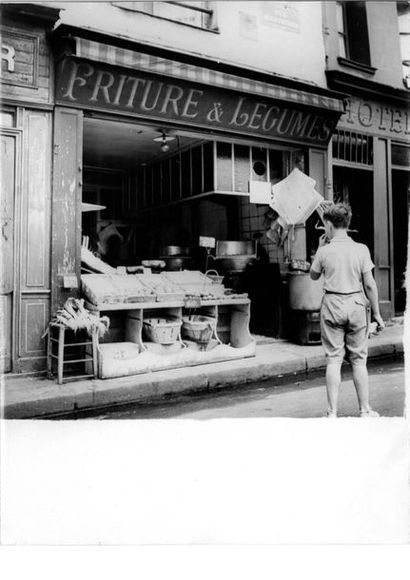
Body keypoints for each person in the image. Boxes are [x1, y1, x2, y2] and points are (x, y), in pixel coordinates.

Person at [309, 202, 385, 418]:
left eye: (325, 225)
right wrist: (377, 314)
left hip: (332, 304)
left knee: (333, 359)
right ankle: (364, 410)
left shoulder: (325, 251)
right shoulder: (361, 249)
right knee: (359, 360)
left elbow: (313, 276)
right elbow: (370, 284)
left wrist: (319, 248)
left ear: (329, 225)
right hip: (356, 305)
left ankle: (332, 413)